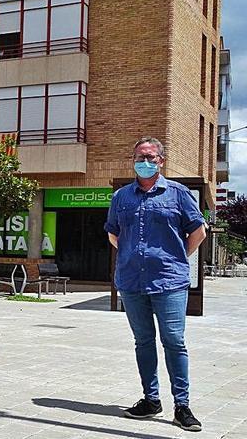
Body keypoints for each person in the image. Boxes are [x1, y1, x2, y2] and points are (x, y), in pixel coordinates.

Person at [104, 137, 206, 432]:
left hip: (169, 282)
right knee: (143, 341)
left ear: (161, 161)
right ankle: (151, 400)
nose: (144, 161)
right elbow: (113, 233)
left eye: (150, 157)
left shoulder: (178, 193)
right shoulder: (121, 197)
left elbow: (198, 230)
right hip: (132, 281)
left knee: (174, 341)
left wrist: (176, 258)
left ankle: (182, 405)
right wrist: (129, 256)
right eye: (139, 156)